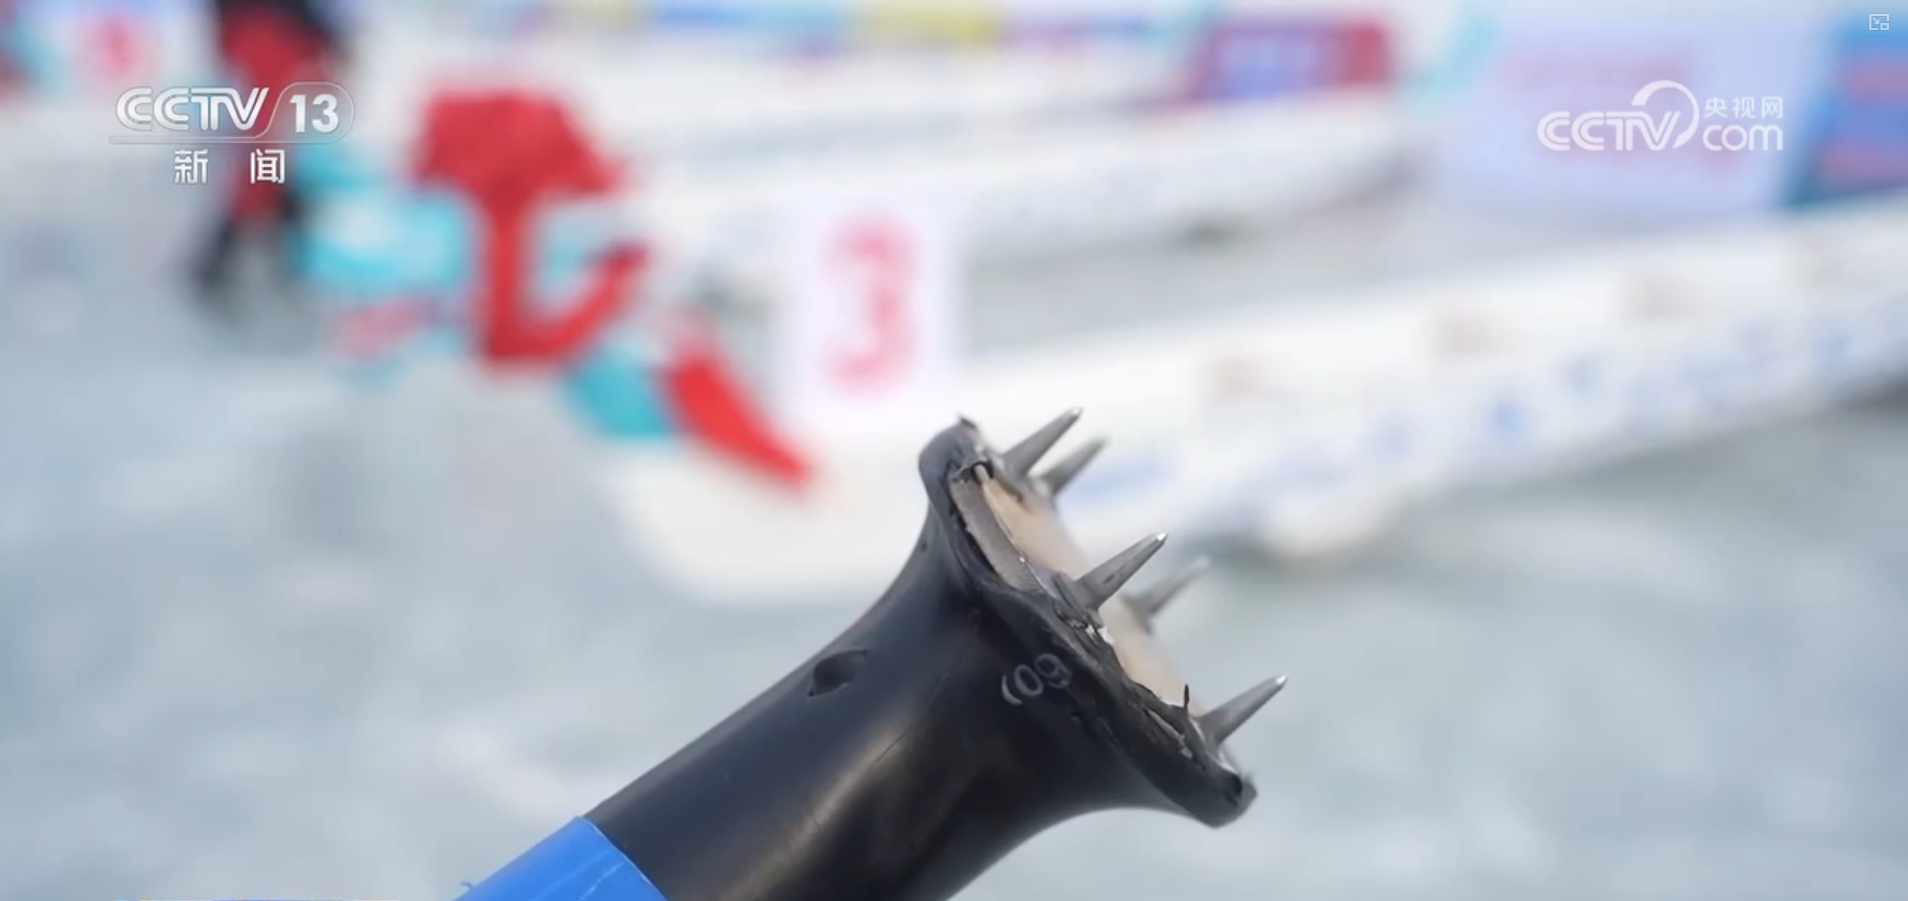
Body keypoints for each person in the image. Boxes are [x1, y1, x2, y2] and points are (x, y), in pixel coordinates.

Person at [191, 0, 347, 306]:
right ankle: (270, 256)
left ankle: (285, 254)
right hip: (269, 32)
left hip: (263, 32)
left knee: (270, 156)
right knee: (266, 153)